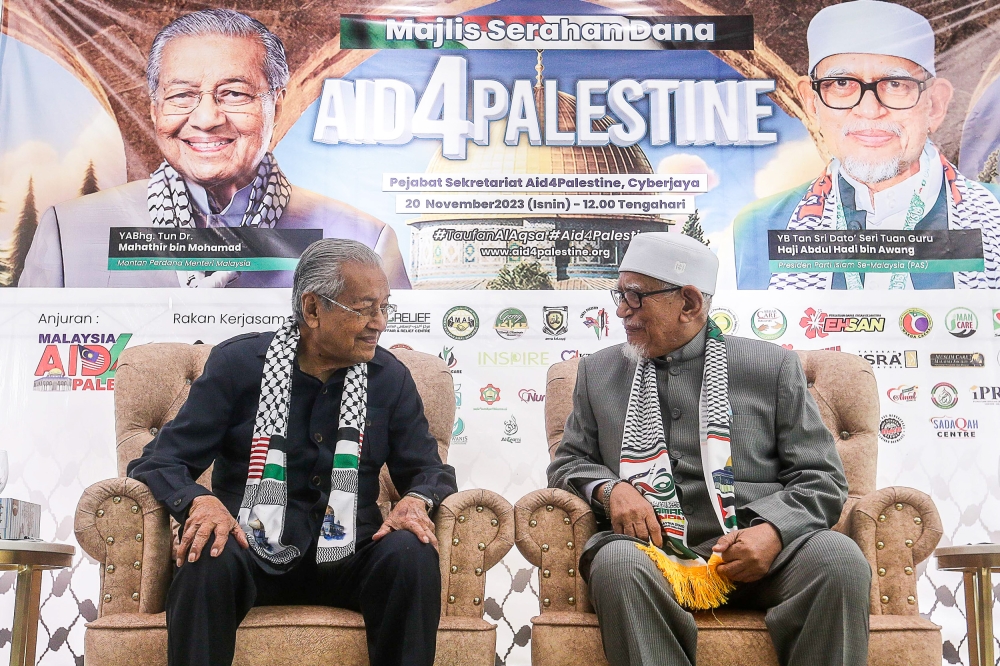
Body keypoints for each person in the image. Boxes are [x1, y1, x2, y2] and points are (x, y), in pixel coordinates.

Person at [127, 239, 454, 666]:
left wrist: (416, 499)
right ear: (313, 308)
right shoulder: (239, 365)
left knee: (413, 554)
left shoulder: (389, 378)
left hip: (351, 556)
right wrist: (199, 501)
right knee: (207, 553)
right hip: (252, 552)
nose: (379, 323)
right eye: (365, 308)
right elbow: (159, 461)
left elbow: (430, 471)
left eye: (384, 307)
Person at [548, 232, 868, 666]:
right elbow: (569, 461)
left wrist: (773, 532)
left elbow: (822, 477)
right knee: (617, 564)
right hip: (652, 555)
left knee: (839, 558)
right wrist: (611, 490)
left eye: (635, 296)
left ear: (690, 302)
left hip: (761, 552)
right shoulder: (598, 372)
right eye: (619, 294)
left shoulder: (770, 367)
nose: (622, 310)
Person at [18, 9, 410, 289]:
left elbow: (390, 376)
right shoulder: (69, 233)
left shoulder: (362, 242)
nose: (206, 118)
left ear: (277, 106)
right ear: (155, 110)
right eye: (181, 95)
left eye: (234, 93)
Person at [733, 0, 1000, 290]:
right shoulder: (762, 226)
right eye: (842, 84)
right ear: (811, 102)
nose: (870, 110)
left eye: (896, 84)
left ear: (935, 104)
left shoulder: (994, 215)